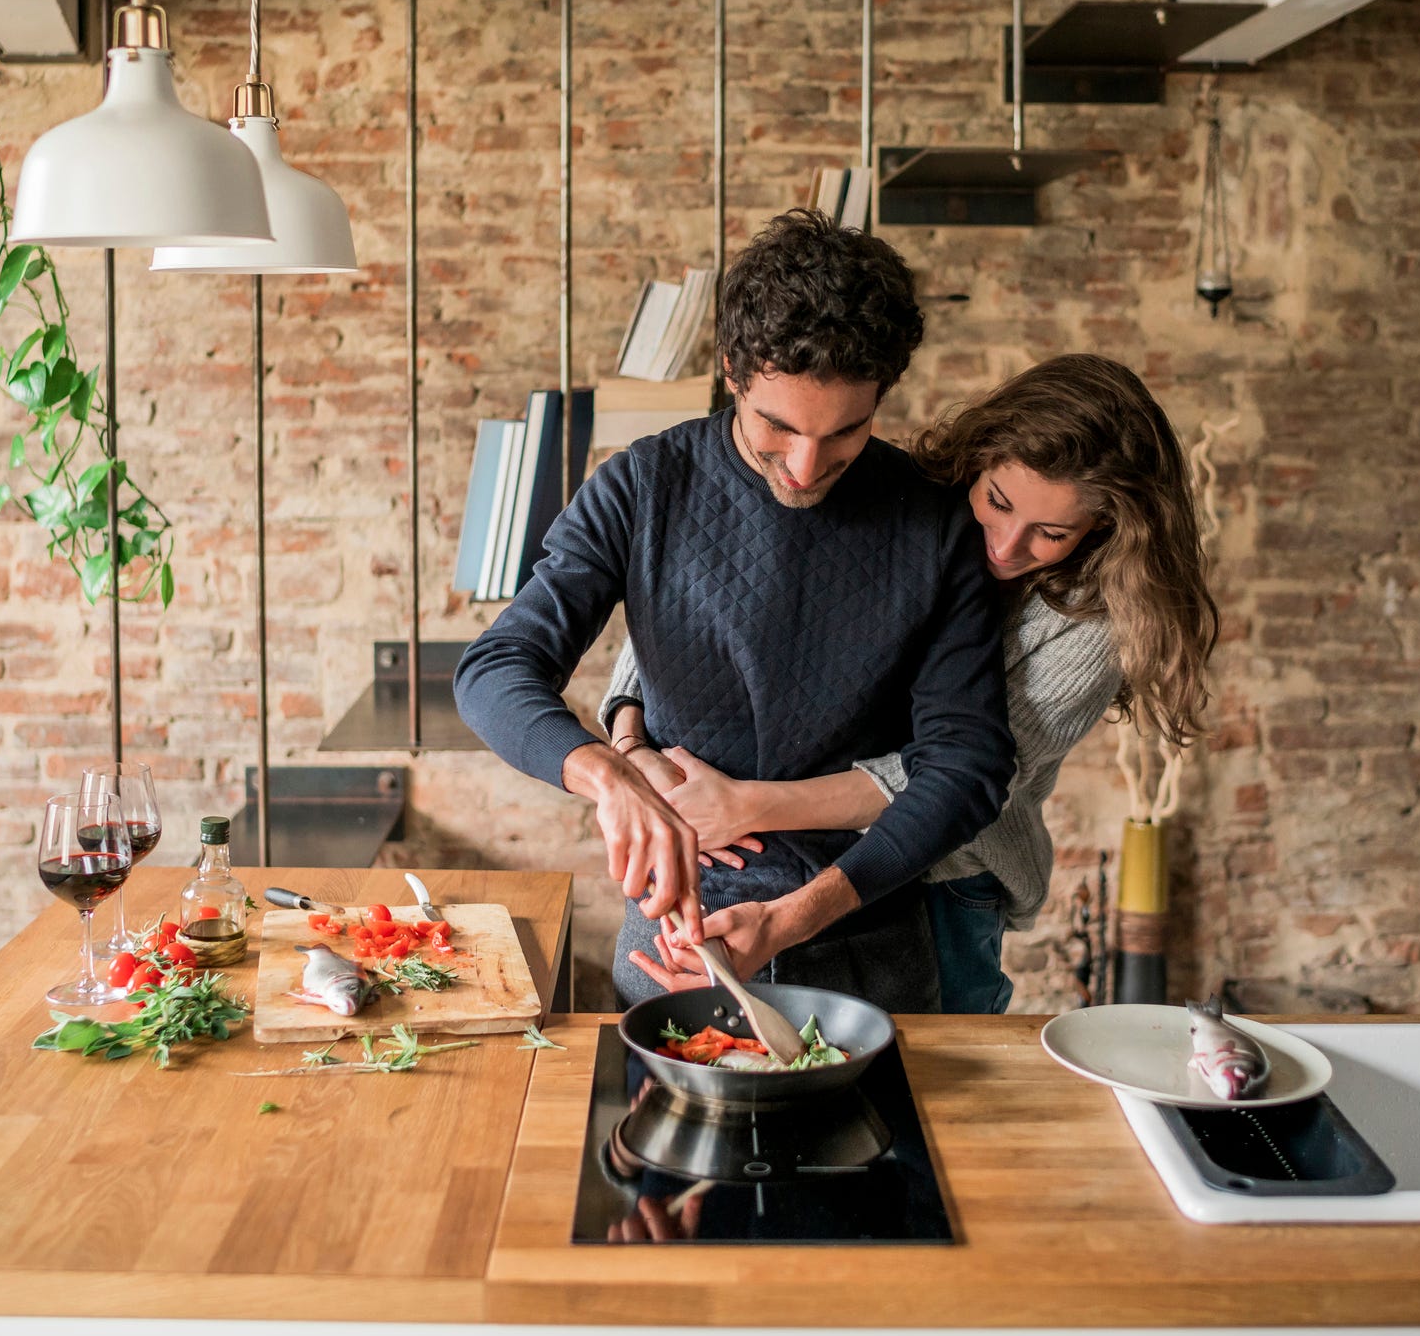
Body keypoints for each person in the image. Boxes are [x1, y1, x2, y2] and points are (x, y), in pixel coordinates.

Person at [453, 210, 1015, 1012]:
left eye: (845, 432)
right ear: (731, 371)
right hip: (679, 934)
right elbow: (494, 669)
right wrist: (608, 774)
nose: (805, 466)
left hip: (868, 931)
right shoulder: (642, 487)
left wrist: (792, 919)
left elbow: (966, 766)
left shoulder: (932, 522)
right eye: (775, 428)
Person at [603, 353, 1218, 1012]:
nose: (1006, 545)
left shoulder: (1093, 630)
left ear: (1102, 526)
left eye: (1051, 532)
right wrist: (630, 744)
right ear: (978, 460)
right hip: (770, 845)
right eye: (997, 502)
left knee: (928, 1087)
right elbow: (699, 610)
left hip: (945, 881)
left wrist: (747, 805)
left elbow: (956, 778)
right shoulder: (900, 508)